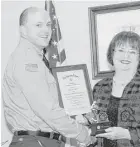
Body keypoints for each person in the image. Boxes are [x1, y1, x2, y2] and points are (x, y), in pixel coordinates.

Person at [2, 7, 95, 147]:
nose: (46, 30)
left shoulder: (34, 59)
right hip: (34, 142)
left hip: (40, 141)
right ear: (23, 30)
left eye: (48, 25)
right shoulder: (28, 61)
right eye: (38, 25)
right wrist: (82, 133)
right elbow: (47, 109)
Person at [77, 31, 140, 147]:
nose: (126, 56)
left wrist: (127, 134)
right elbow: (99, 126)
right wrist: (85, 124)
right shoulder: (100, 87)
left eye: (132, 52)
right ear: (112, 54)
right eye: (121, 50)